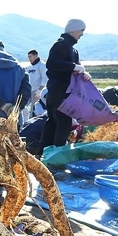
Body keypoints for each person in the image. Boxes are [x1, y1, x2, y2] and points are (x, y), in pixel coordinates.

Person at [37, 19, 90, 154]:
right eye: (81, 31)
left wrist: (83, 73)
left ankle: (45, 155)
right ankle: (56, 157)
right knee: (63, 123)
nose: (82, 35)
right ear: (74, 30)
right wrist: (74, 66)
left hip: (58, 92)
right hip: (59, 92)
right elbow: (52, 64)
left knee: (53, 123)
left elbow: (75, 69)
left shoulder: (72, 49)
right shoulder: (61, 45)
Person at [24, 49, 47, 118]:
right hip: (30, 90)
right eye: (28, 57)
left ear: (36, 56)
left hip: (38, 91)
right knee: (25, 107)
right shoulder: (29, 67)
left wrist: (40, 90)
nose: (29, 59)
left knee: (33, 108)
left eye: (30, 57)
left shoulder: (42, 65)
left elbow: (44, 78)